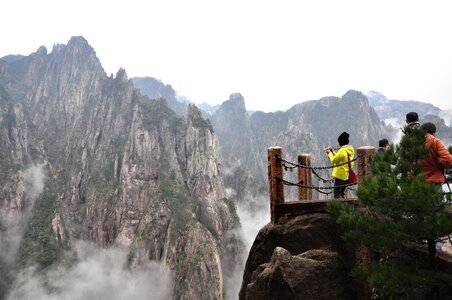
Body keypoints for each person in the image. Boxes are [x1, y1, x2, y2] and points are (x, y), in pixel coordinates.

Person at [420, 122, 452, 188]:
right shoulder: (435, 141)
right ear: (433, 132)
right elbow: (447, 160)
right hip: (434, 181)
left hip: (416, 183)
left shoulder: (413, 143)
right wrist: (443, 165)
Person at [324, 132, 355, 199]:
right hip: (345, 175)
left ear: (341, 142)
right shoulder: (350, 149)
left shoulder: (342, 150)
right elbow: (341, 158)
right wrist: (332, 152)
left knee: (337, 195)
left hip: (339, 175)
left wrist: (329, 153)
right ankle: (344, 207)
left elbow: (334, 160)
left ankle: (339, 208)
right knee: (341, 193)